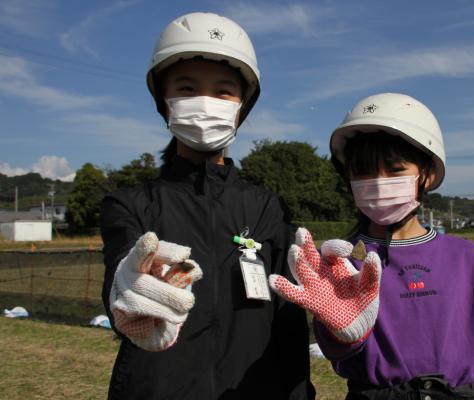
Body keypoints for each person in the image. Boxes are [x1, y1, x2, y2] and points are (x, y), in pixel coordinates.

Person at [100, 12, 315, 400]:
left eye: (222, 91)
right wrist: (125, 290)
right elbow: (119, 278)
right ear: (163, 101)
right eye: (186, 88)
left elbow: (288, 321)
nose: (205, 102)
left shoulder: (267, 207)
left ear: (241, 106)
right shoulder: (130, 204)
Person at [269, 93, 474, 399]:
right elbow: (338, 354)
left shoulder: (467, 259)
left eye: (395, 170)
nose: (379, 182)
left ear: (428, 173)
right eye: (363, 172)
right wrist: (344, 337)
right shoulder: (343, 262)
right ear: (348, 178)